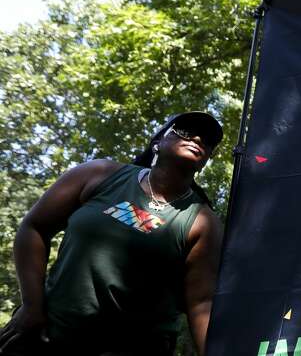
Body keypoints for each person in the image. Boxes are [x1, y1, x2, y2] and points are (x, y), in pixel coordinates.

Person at [0, 112, 225, 356]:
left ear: (205, 161)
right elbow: (35, 227)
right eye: (184, 131)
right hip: (48, 337)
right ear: (157, 142)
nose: (197, 138)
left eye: (207, 140)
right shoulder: (99, 174)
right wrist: (32, 307)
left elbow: (201, 303)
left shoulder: (203, 222)